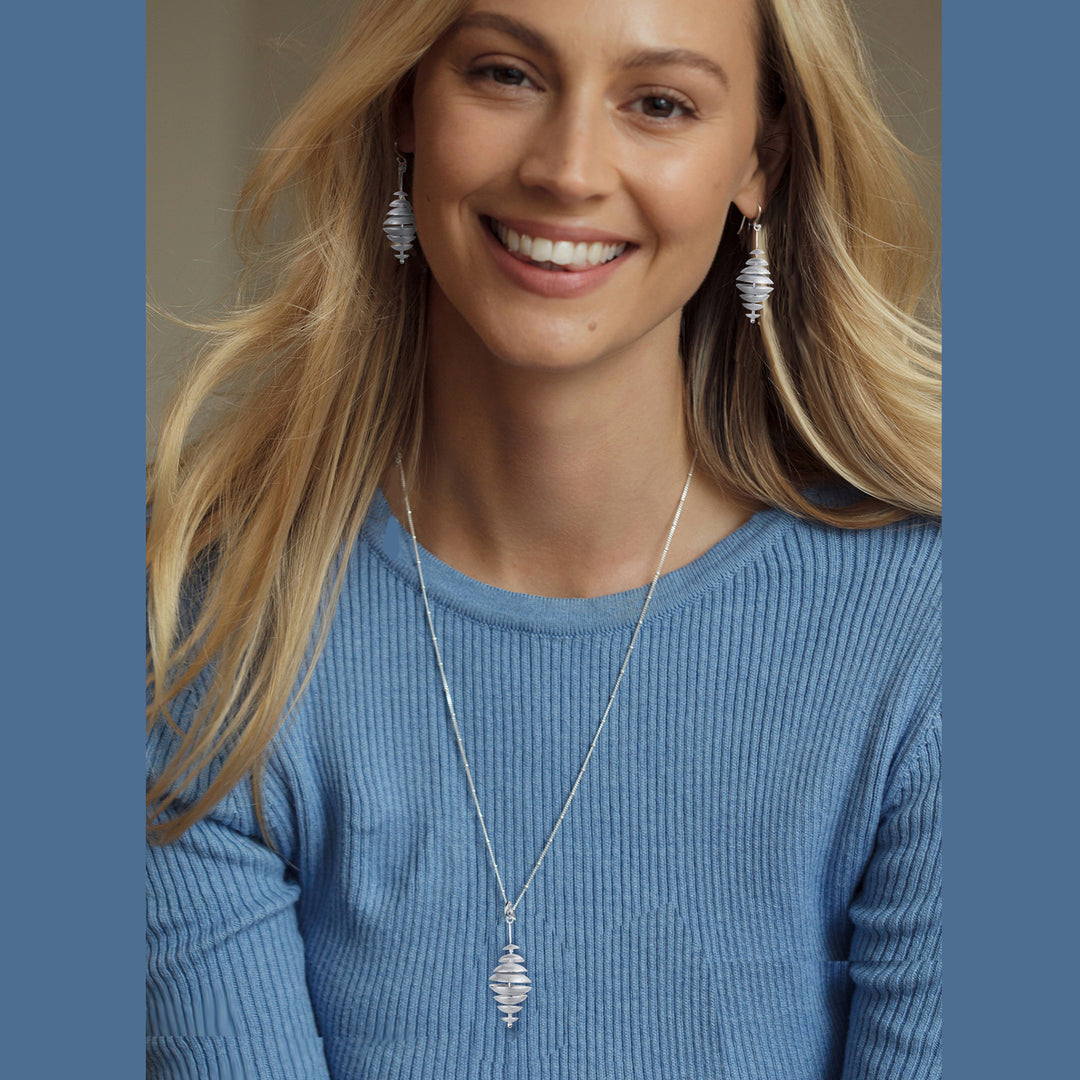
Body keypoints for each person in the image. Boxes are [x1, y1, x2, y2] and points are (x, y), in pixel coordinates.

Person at [146, 0, 941, 1077]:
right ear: (406, 106)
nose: (569, 168)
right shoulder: (197, 615)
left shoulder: (934, 633)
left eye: (659, 103)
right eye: (506, 76)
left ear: (761, 159)